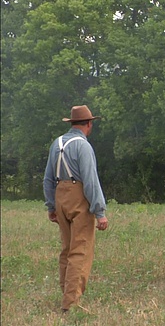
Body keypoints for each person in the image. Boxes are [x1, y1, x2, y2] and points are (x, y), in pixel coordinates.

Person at [43, 105, 109, 312]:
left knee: (67, 248)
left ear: (72, 123)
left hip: (60, 195)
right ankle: (70, 302)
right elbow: (90, 181)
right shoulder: (83, 146)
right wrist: (100, 212)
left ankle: (66, 291)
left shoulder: (57, 143)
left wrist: (51, 205)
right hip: (78, 196)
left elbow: (47, 178)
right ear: (89, 124)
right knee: (80, 249)